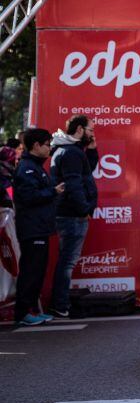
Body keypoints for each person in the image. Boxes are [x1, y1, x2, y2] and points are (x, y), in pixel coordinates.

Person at [48, 115, 98, 319]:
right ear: (79, 129)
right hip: (72, 215)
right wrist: (84, 209)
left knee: (66, 261)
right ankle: (60, 304)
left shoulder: (68, 151)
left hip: (68, 213)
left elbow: (85, 171)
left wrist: (93, 150)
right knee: (67, 262)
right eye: (90, 130)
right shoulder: (71, 153)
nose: (92, 134)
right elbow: (74, 184)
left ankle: (60, 303)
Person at [12, 128, 63, 326]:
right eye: (47, 145)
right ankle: (23, 312)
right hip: (31, 227)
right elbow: (28, 197)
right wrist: (53, 191)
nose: (49, 148)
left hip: (40, 226)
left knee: (38, 270)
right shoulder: (27, 168)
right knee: (31, 270)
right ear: (36, 146)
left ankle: (31, 310)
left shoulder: (36, 166)